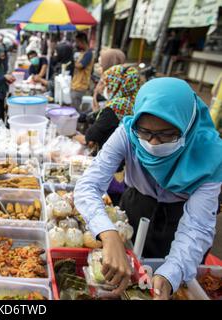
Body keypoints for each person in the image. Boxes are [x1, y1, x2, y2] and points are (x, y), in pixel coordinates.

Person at [74, 78, 222, 300]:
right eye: (145, 132)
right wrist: (109, 234)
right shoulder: (127, 132)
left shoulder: (210, 155)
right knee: (122, 278)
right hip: (136, 206)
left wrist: (170, 275)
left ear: (187, 125)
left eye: (167, 134)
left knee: (163, 285)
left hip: (178, 219)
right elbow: (88, 185)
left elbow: (197, 227)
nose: (153, 143)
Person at [76, 65, 141, 149]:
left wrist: (73, 136)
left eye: (106, 83)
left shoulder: (117, 106)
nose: (102, 88)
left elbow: (90, 136)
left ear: (117, 85)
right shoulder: (134, 101)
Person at [0, 47, 15, 120]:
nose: (3, 58)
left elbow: (2, 77)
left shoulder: (1, 65)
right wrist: (4, 78)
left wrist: (8, 80)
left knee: (2, 113)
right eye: (1, 56)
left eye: (4, 56)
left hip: (2, 94)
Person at [71, 32, 94, 110]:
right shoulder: (83, 53)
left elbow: (80, 66)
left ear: (82, 41)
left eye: (77, 42)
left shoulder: (89, 54)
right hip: (76, 83)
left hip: (81, 85)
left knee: (76, 108)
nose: (77, 44)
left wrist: (73, 61)